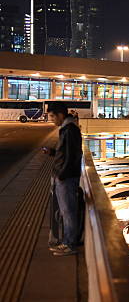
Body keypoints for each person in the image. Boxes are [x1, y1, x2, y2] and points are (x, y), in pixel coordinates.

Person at [42, 102, 83, 256]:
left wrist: (61, 174)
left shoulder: (70, 130)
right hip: (65, 176)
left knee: (68, 212)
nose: (51, 119)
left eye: (52, 116)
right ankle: (66, 242)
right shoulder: (66, 129)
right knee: (66, 212)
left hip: (66, 178)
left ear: (60, 115)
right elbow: (66, 153)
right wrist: (53, 152)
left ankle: (70, 244)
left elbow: (73, 156)